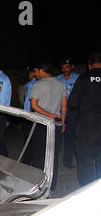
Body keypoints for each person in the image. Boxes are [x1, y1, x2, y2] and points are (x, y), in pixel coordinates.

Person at [30, 61, 67, 191]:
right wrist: (62, 122)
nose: (34, 75)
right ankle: (52, 184)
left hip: (41, 123)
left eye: (35, 71)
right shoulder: (61, 84)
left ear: (41, 70)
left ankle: (39, 185)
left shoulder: (38, 85)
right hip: (56, 124)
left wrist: (48, 114)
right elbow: (63, 106)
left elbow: (34, 105)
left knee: (39, 155)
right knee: (53, 155)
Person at [67, 52, 101, 187]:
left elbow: (72, 103)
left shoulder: (84, 78)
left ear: (89, 65)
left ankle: (87, 192)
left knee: (85, 162)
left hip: (87, 129)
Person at [56, 57, 80, 168]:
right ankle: (53, 161)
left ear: (72, 67)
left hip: (73, 112)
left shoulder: (78, 78)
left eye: (67, 67)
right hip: (58, 112)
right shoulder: (57, 79)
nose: (65, 69)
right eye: (63, 67)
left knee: (71, 137)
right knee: (57, 136)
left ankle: (68, 161)